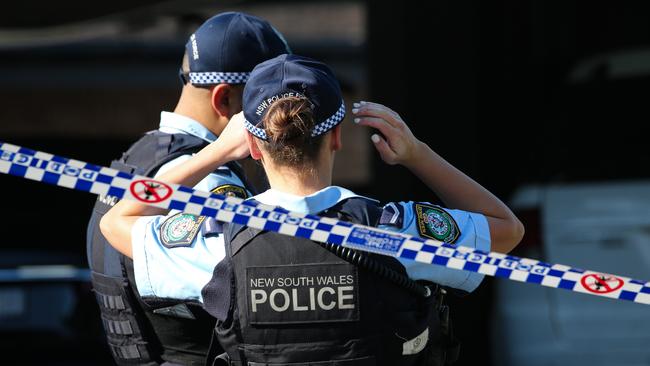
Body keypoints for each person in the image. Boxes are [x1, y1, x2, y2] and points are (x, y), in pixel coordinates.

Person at [100, 54, 524, 365]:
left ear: (251, 144)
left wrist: (212, 154)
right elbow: (507, 228)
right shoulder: (395, 231)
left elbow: (118, 219)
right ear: (337, 136)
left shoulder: (218, 242)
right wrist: (417, 154)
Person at [86, 12, 290, 366]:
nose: (281, 116)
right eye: (268, 100)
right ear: (224, 99)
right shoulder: (211, 182)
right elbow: (256, 297)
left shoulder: (136, 159)